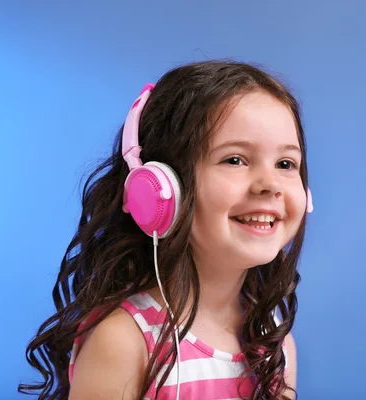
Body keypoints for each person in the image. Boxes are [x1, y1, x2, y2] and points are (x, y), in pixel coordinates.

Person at [18, 60, 313, 400]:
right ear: (161, 187)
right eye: (235, 160)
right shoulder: (125, 341)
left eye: (286, 164)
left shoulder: (273, 338)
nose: (270, 184)